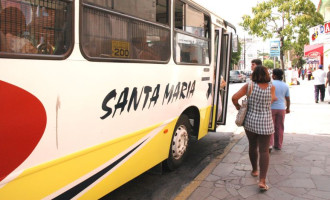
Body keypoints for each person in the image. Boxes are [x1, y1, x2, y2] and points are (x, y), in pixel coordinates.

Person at [232, 66, 277, 191]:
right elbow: (273, 99)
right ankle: (262, 181)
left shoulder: (249, 86)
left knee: (252, 145)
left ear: (254, 74)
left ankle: (255, 170)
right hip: (266, 122)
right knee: (264, 151)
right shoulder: (271, 87)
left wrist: (238, 107)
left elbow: (234, 97)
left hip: (250, 121)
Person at [269, 69, 290, 152]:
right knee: (280, 127)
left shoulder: (270, 84)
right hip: (281, 108)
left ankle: (270, 144)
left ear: (274, 75)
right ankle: (278, 145)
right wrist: (288, 108)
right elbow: (288, 98)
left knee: (270, 127)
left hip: (271, 108)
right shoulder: (285, 85)